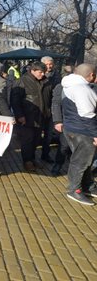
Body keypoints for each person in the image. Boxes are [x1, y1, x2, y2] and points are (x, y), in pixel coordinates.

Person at [60, 63, 97, 205]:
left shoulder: (69, 85)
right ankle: (74, 190)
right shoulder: (81, 89)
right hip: (82, 130)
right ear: (91, 75)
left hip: (73, 127)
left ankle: (88, 185)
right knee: (81, 161)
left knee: (84, 160)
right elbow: (87, 114)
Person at [10, 61, 53, 171]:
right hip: (27, 117)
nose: (42, 74)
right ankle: (27, 161)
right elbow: (15, 101)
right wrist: (19, 115)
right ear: (32, 71)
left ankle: (32, 159)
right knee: (27, 140)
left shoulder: (46, 82)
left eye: (44, 72)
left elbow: (49, 99)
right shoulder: (22, 81)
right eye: (40, 72)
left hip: (41, 116)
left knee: (36, 140)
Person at [51, 65, 74, 176]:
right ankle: (57, 166)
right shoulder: (60, 87)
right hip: (65, 121)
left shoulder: (84, 87)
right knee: (64, 146)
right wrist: (58, 121)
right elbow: (56, 104)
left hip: (80, 122)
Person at [40, 56, 61, 163]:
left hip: (51, 108)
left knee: (48, 134)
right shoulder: (38, 75)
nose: (49, 66)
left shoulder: (57, 76)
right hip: (39, 108)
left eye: (51, 64)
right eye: (47, 64)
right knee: (36, 134)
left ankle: (45, 154)